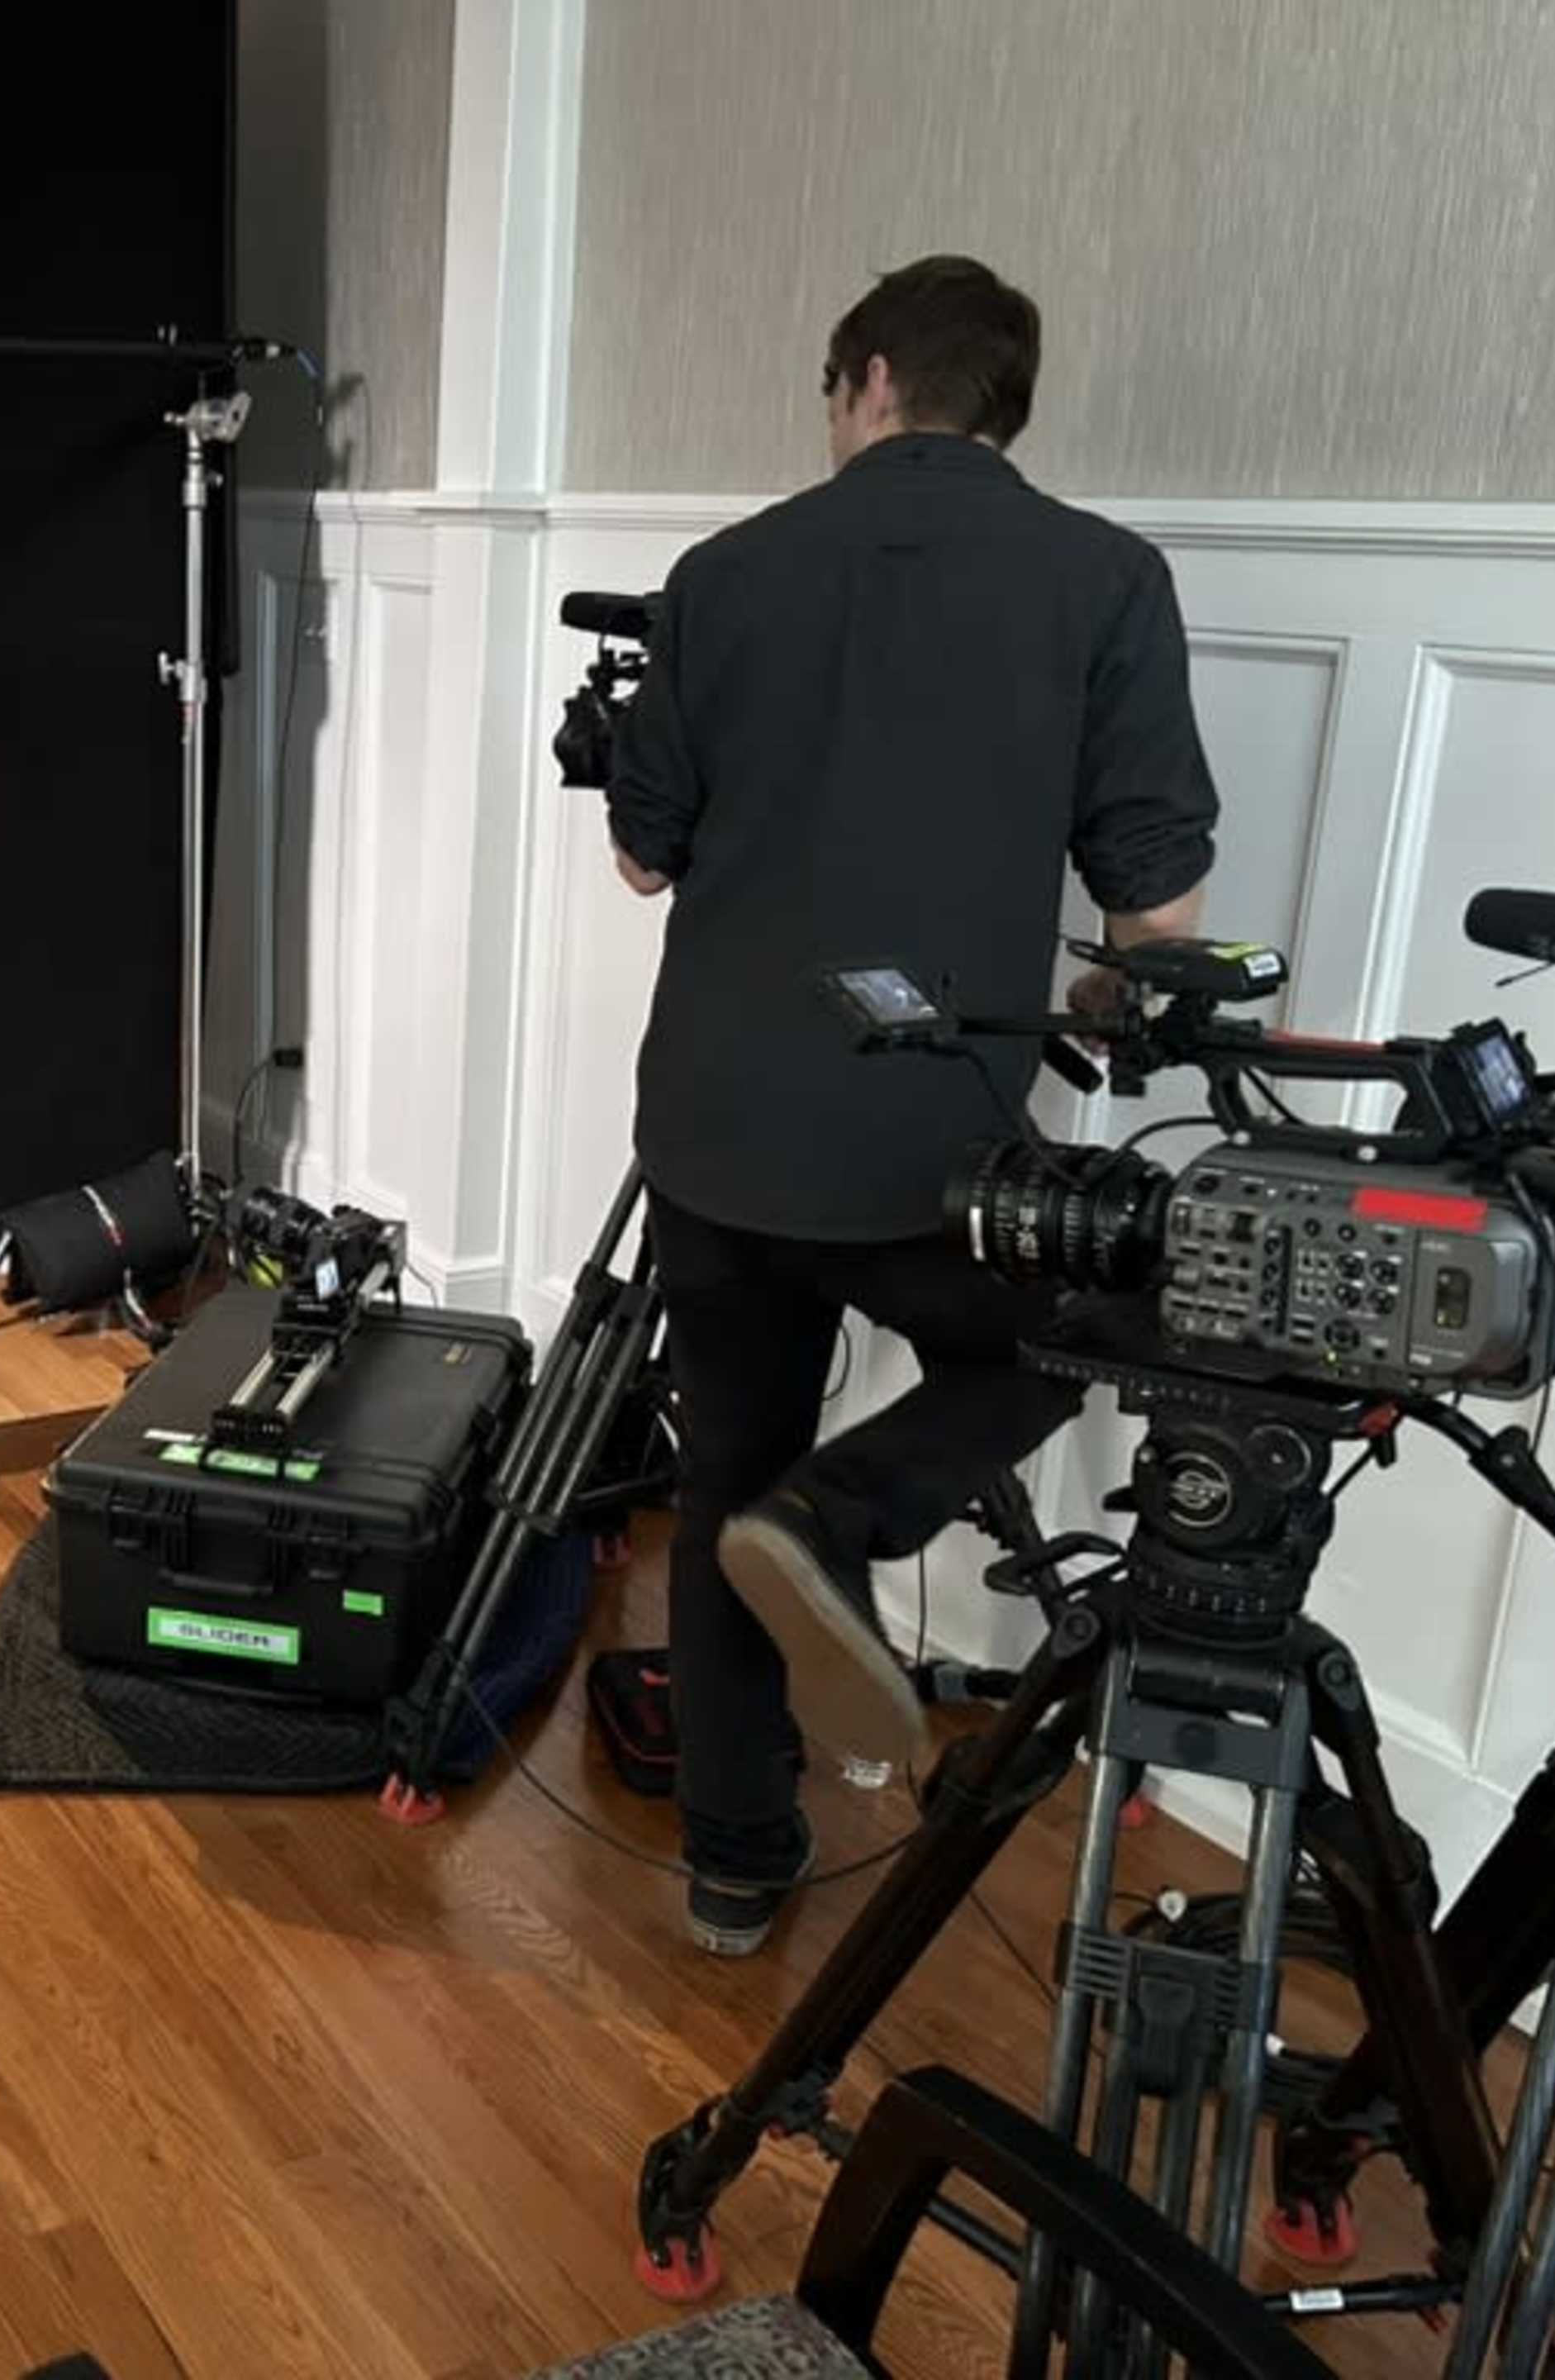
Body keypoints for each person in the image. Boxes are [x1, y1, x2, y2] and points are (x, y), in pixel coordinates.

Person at [607, 257, 1218, 1955]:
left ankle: (738, 1864)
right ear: (996, 402)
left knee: (729, 1469)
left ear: (866, 378)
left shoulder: (724, 575)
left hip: (716, 1129)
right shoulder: (1105, 581)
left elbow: (647, 851)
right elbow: (1156, 915)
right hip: (927, 1149)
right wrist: (1105, 987)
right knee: (1081, 1322)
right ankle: (852, 1513)